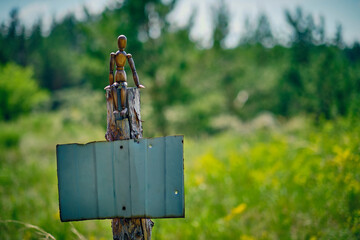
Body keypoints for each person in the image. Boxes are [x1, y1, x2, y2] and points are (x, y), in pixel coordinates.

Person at [109, 35, 145, 117]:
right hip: (117, 74)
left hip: (122, 74)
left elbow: (134, 70)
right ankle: (116, 108)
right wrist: (111, 84)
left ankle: (123, 107)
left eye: (123, 42)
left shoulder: (127, 56)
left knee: (124, 87)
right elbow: (111, 71)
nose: (122, 45)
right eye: (120, 42)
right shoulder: (114, 55)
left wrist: (137, 84)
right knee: (113, 88)